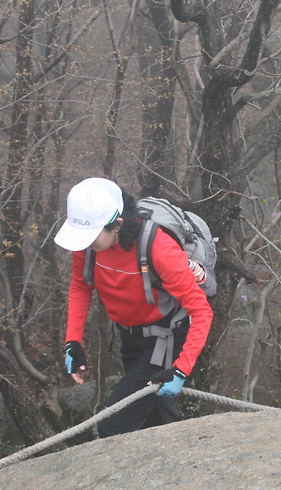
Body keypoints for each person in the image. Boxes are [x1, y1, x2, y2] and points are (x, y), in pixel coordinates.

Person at [56, 178, 213, 437]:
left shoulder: (158, 247)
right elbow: (80, 286)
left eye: (91, 237)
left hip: (163, 340)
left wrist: (181, 368)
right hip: (128, 336)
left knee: (113, 424)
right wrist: (72, 341)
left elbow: (201, 310)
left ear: (116, 224)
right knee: (154, 419)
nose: (84, 244)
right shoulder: (90, 244)